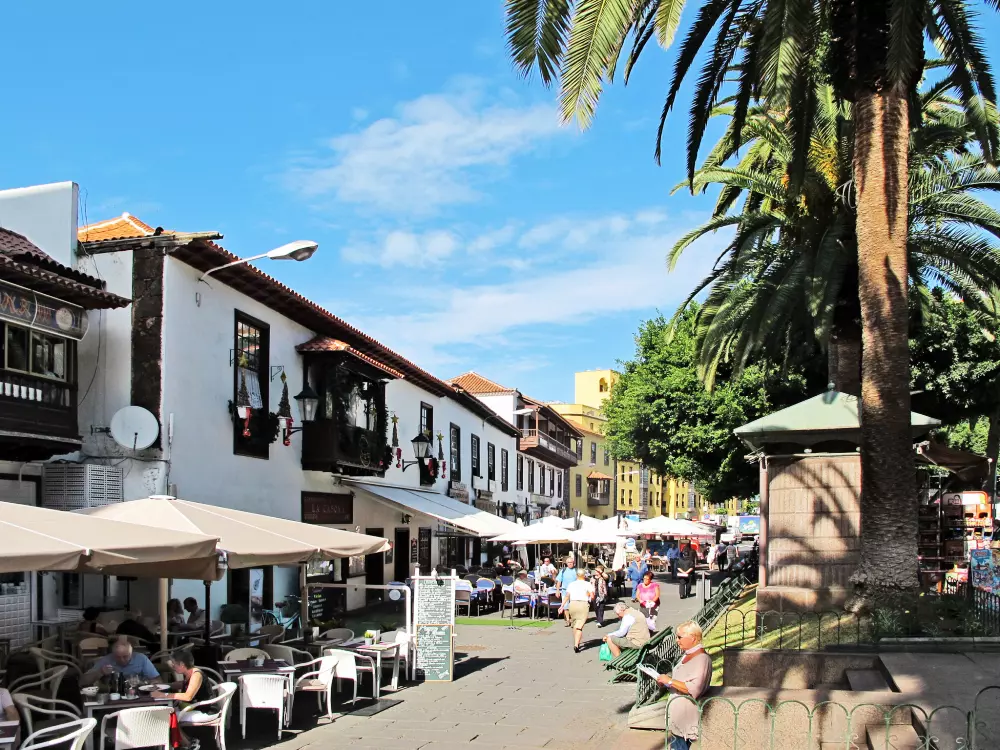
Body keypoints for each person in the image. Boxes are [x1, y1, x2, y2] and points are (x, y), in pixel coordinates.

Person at [654, 621, 712, 750]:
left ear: (692, 637)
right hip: (678, 715)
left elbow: (694, 688)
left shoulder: (702, 659)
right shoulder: (687, 655)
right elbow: (682, 680)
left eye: (680, 637)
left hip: (685, 716)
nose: (677, 640)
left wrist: (669, 681)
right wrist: (665, 683)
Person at [153, 648, 217, 745]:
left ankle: (188, 744)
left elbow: (188, 697)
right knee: (168, 713)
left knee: (167, 716)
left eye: (174, 663)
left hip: (206, 710)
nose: (173, 666)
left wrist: (163, 695)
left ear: (182, 664)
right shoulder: (189, 673)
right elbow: (183, 684)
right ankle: (189, 741)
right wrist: (166, 685)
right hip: (195, 707)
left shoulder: (196, 675)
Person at [82, 638, 160, 686]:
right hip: (113, 695)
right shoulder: (106, 660)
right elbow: (83, 681)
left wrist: (144, 683)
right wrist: (100, 672)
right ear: (113, 654)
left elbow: (158, 681)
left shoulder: (141, 659)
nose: (122, 660)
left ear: (131, 654)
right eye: (118, 657)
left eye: (125, 656)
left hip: (138, 695)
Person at [562, 570, 594, 653]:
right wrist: (589, 596)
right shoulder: (587, 584)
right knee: (579, 625)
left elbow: (567, 596)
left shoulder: (571, 584)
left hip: (572, 604)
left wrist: (562, 606)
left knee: (575, 623)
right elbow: (592, 596)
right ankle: (576, 645)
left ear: (576, 575)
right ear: (584, 576)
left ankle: (576, 642)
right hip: (583, 604)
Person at [555, 556, 577, 627]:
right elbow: (559, 581)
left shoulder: (576, 571)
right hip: (565, 590)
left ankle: (574, 620)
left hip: (574, 591)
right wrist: (557, 590)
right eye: (569, 562)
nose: (570, 564)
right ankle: (567, 620)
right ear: (566, 563)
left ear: (573, 563)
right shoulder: (563, 570)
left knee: (574, 606)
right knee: (565, 606)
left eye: (571, 562)